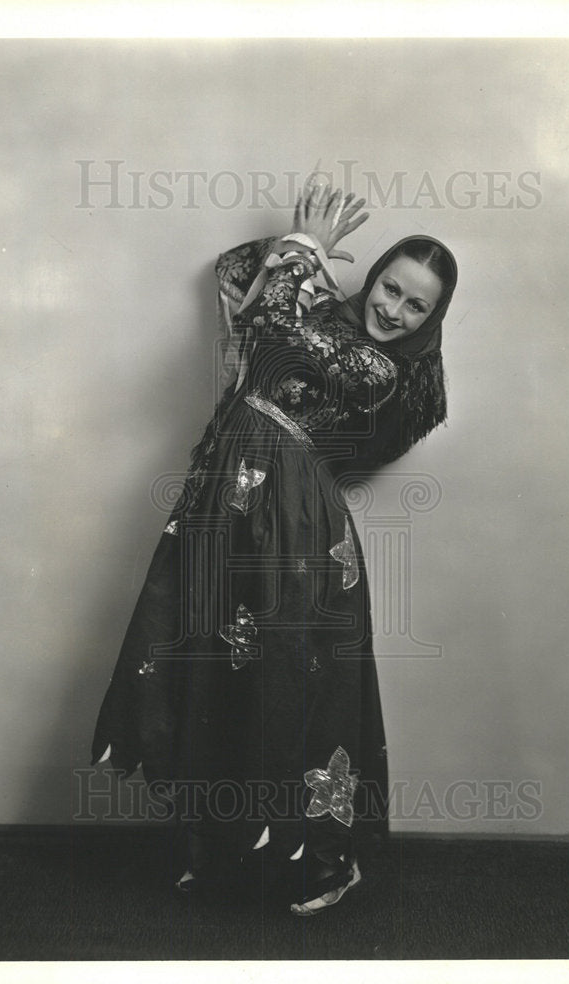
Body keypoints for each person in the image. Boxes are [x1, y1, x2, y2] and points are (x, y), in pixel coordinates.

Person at [90, 179, 458, 915]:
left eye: (416, 305)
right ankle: (218, 855)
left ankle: (327, 865)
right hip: (224, 511)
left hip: (296, 534)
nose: (393, 309)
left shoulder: (381, 370)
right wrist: (298, 255)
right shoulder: (317, 305)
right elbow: (233, 280)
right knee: (213, 678)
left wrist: (304, 252)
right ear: (376, 275)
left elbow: (283, 328)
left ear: (431, 319)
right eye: (389, 287)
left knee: (295, 689)